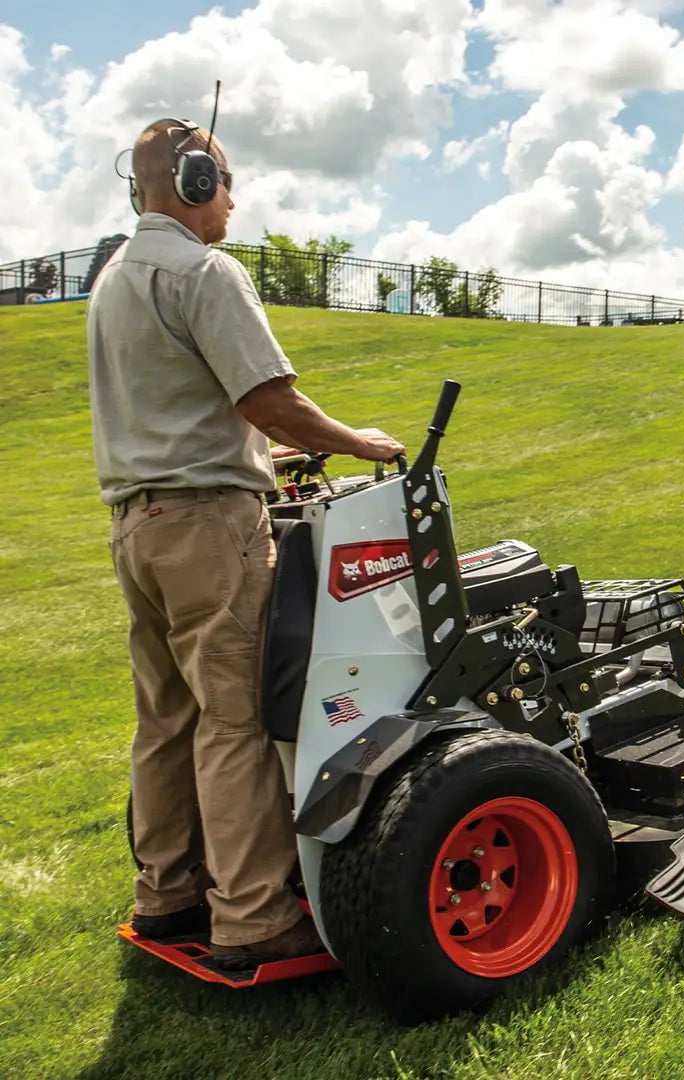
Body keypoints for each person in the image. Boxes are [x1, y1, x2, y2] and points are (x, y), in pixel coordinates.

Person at [88, 118, 405, 967]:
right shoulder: (204, 270)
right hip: (208, 528)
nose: (233, 197)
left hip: (138, 529)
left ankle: (167, 893)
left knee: (167, 719)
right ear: (195, 181)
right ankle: (254, 917)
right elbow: (269, 399)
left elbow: (185, 409)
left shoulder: (114, 278)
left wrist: (271, 454)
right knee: (235, 720)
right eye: (225, 180)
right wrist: (360, 443)